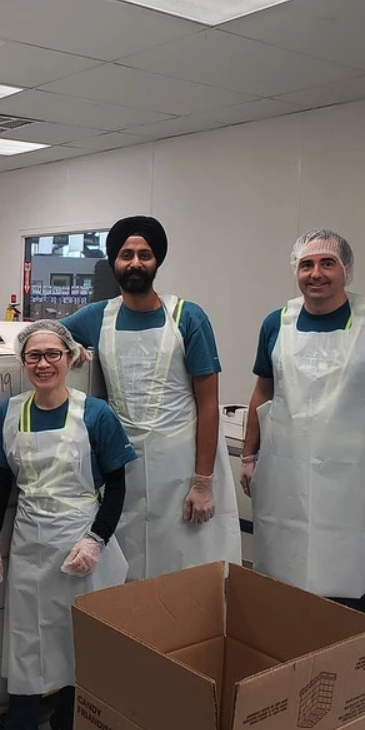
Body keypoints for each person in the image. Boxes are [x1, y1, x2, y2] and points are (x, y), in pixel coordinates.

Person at [240, 229, 365, 613]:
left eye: (327, 263)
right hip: (284, 482)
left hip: (350, 487)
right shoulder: (277, 323)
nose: (316, 273)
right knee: (279, 587)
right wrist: (249, 455)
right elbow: (263, 393)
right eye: (306, 264)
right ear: (296, 270)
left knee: (342, 594)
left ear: (347, 270)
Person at [0, 320, 134, 730]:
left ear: (69, 358)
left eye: (52, 355)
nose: (44, 364)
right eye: (34, 356)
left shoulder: (95, 414)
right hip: (30, 540)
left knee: (80, 643)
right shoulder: (9, 414)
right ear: (23, 361)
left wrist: (96, 540)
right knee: (27, 643)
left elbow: (119, 486)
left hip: (81, 540)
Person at [61, 216, 241, 580]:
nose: (135, 263)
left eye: (145, 254)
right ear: (115, 262)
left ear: (157, 261)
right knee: (128, 568)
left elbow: (208, 405)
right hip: (123, 462)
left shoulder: (187, 317)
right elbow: (36, 338)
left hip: (181, 464)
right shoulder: (98, 316)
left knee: (185, 569)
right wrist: (69, 346)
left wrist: (203, 482)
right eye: (126, 255)